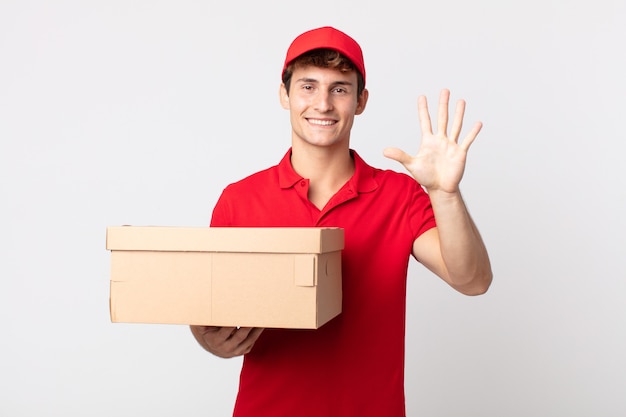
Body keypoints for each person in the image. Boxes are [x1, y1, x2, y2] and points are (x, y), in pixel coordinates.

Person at [190, 26, 492, 417]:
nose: (323, 104)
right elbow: (208, 305)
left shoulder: (399, 196)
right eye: (308, 86)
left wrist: (445, 193)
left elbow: (473, 280)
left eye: (340, 89)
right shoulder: (239, 199)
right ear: (285, 95)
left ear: (361, 100)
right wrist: (207, 338)